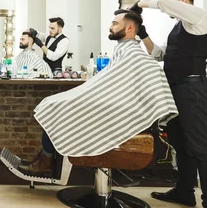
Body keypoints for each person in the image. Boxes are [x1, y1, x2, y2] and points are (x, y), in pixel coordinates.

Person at [19, 10, 177, 176]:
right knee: (53, 104)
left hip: (116, 114)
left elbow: (134, 83)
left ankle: (46, 161)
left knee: (57, 108)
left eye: (115, 24)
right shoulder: (123, 51)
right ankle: (45, 158)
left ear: (130, 28)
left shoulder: (136, 56)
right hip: (113, 107)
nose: (110, 26)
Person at [135, 0, 207, 208]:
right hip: (175, 89)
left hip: (192, 90)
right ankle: (184, 191)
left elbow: (162, 2)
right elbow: (159, 54)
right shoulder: (180, 26)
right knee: (180, 143)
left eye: (169, 2)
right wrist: (142, 33)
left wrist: (139, 5)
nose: (165, 9)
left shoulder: (198, 17)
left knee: (200, 148)